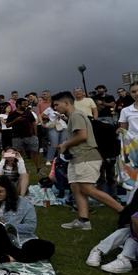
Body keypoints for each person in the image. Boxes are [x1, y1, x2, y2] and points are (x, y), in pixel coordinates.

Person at [52, 91, 123, 231]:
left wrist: (65, 144)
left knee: (87, 188)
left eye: (56, 104)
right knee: (76, 188)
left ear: (66, 103)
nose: (55, 108)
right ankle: (83, 220)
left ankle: (124, 212)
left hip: (86, 156)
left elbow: (83, 136)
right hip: (77, 157)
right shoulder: (72, 116)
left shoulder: (76, 115)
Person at [0, 177, 55, 275]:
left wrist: (9, 225)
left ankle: (9, 257)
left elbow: (31, 227)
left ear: (8, 190)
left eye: (0, 191)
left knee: (48, 247)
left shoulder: (25, 204)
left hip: (21, 238)